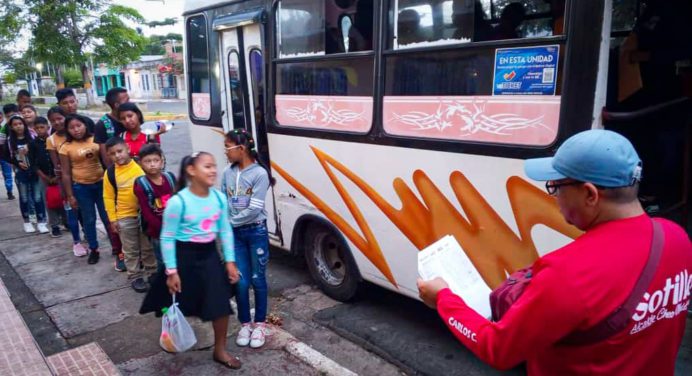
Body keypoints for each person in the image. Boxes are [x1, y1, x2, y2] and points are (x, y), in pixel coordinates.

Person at [417, 130, 692, 375]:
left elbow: (498, 349)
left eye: (556, 186)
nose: (554, 197)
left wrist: (443, 299)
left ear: (590, 194)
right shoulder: (677, 238)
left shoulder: (568, 272)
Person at [140, 152, 241, 370]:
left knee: (220, 304)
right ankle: (170, 335)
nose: (213, 170)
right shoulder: (178, 202)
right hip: (182, 257)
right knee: (170, 303)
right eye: (207, 166)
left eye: (214, 166)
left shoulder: (219, 198)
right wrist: (172, 271)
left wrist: (230, 262)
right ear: (191, 170)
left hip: (209, 256)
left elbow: (225, 230)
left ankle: (220, 350)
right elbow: (167, 236)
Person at [222, 128, 275, 349]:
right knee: (240, 281)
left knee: (257, 279)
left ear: (241, 149)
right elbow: (224, 198)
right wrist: (225, 222)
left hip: (255, 232)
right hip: (236, 235)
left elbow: (255, 209)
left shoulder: (260, 174)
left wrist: (229, 223)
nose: (225, 152)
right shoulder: (228, 172)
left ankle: (260, 324)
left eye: (228, 147)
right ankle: (245, 323)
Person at [103, 137, 156, 291]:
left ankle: (152, 272)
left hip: (144, 215)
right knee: (130, 249)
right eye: (113, 154)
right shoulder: (110, 173)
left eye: (120, 151)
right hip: (124, 217)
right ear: (108, 155)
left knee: (147, 246)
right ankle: (135, 276)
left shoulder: (140, 166)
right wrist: (113, 219)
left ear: (127, 148)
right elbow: (108, 197)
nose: (118, 156)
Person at [59, 114, 113, 264]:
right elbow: (66, 173)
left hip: (102, 184)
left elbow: (106, 160)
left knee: (107, 217)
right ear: (67, 130)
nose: (76, 130)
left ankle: (116, 247)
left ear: (85, 125)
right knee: (89, 219)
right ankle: (94, 248)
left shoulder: (96, 139)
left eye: (79, 126)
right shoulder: (65, 147)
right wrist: (70, 195)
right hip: (81, 187)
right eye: (71, 127)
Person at [47, 107, 87, 256]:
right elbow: (57, 166)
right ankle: (76, 241)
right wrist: (64, 185)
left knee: (85, 211)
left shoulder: (76, 134)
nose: (57, 122)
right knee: (72, 212)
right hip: (66, 182)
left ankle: (87, 235)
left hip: (83, 180)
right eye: (53, 120)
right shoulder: (51, 140)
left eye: (59, 118)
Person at [133, 144, 176, 277]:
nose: (152, 164)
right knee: (163, 261)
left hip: (176, 228)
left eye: (155, 160)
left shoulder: (170, 178)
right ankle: (165, 287)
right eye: (147, 161)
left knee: (178, 258)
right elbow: (147, 213)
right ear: (140, 164)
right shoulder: (141, 185)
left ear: (162, 161)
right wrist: (163, 230)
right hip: (158, 233)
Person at [5, 115, 48, 233]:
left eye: (20, 123)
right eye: (15, 124)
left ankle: (41, 221)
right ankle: (27, 222)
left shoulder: (32, 137)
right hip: (21, 174)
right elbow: (6, 156)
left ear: (24, 124)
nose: (18, 126)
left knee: (38, 197)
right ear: (11, 127)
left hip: (34, 172)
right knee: (24, 198)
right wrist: (17, 163)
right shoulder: (10, 141)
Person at [29, 117, 61, 237]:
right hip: (44, 177)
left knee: (62, 199)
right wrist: (45, 177)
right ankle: (54, 225)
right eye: (36, 128)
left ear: (48, 127)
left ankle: (66, 221)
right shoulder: (32, 144)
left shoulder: (54, 140)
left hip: (58, 176)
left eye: (42, 127)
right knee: (49, 201)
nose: (39, 130)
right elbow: (33, 164)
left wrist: (57, 175)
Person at [94, 87, 129, 167]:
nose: (130, 103)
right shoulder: (103, 125)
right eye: (127, 101)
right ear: (116, 105)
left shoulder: (131, 119)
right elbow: (106, 157)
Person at [0, 104, 18, 199]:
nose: (11, 118)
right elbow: (1, 143)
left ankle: (9, 191)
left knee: (8, 175)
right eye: (9, 116)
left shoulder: (21, 126)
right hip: (5, 156)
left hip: (11, 158)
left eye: (13, 115)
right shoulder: (4, 128)